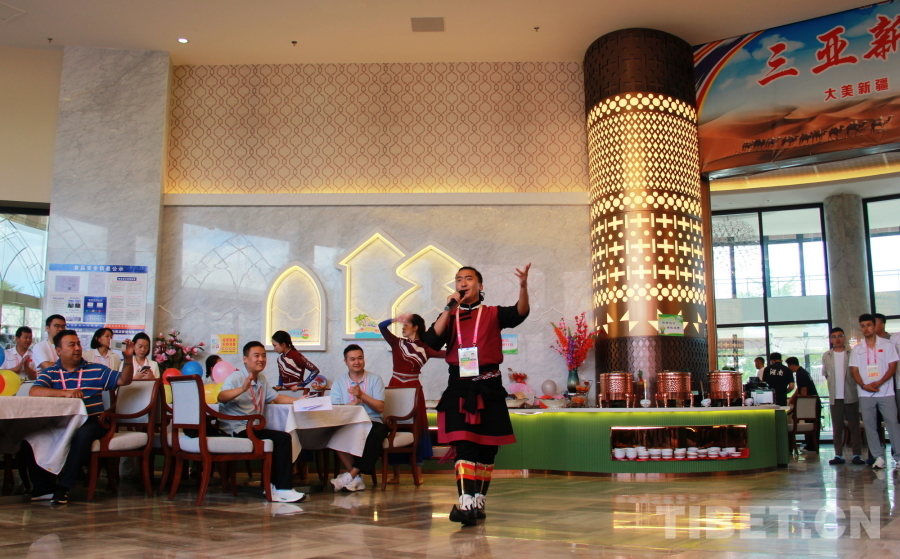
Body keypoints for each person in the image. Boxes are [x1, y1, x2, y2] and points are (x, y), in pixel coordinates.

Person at [422, 264, 530, 526]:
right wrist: (448, 308)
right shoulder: (450, 315)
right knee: (465, 443)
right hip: (459, 386)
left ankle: (478, 501)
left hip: (490, 385)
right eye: (458, 279)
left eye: (468, 279)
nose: (463, 283)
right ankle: (465, 502)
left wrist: (523, 286)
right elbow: (431, 341)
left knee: (488, 448)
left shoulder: (492, 313)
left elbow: (520, 312)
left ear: (480, 286)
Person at [25, 329, 135, 503]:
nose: (77, 348)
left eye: (78, 344)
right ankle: (43, 488)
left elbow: (124, 380)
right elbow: (34, 391)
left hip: (93, 421)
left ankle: (64, 487)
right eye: (71, 345)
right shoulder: (51, 372)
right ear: (58, 350)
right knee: (30, 438)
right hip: (61, 423)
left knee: (82, 434)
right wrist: (65, 393)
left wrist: (128, 359)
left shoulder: (96, 369)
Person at [216, 341, 306, 503]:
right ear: (245, 359)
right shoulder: (236, 377)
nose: (261, 359)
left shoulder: (261, 379)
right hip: (237, 429)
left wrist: (299, 400)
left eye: (264, 356)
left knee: (283, 437)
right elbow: (221, 397)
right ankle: (282, 489)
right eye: (256, 356)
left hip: (252, 428)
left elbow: (277, 397)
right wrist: (242, 389)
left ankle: (274, 486)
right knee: (282, 439)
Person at [379, 313, 445, 484]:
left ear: (415, 327)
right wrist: (395, 319)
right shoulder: (397, 343)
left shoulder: (425, 348)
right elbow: (381, 326)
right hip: (395, 387)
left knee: (417, 428)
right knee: (394, 426)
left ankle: (418, 473)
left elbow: (448, 355)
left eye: (406, 324)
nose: (403, 327)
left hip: (414, 390)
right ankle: (396, 474)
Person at [330, 344, 387, 492]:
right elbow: (335, 409)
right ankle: (356, 479)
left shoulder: (375, 379)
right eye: (352, 359)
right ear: (346, 361)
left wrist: (362, 396)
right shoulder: (339, 382)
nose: (357, 362)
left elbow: (380, 408)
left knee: (376, 434)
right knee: (334, 434)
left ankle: (351, 475)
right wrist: (353, 404)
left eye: (360, 358)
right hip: (348, 421)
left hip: (372, 420)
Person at [850, 313, 900, 470]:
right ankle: (878, 457)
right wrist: (863, 385)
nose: (866, 329)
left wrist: (879, 382)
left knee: (893, 424)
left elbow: (892, 367)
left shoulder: (887, 345)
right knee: (870, 425)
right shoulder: (857, 349)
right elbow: (854, 371)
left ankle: (898, 457)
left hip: (886, 392)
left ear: (875, 326)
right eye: (863, 326)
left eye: (869, 325)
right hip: (865, 393)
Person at [822, 327, 863, 465]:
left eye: (840, 336)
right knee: (837, 427)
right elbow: (826, 374)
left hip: (851, 394)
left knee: (854, 426)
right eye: (834, 337)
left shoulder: (852, 353)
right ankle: (838, 454)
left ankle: (857, 454)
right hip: (835, 397)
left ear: (844, 338)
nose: (837, 339)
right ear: (830, 339)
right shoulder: (827, 355)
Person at [785, 356, 820, 452]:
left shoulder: (800, 374)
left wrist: (801, 403)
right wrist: (793, 397)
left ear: (792, 365)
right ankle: (810, 444)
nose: (788, 368)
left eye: (788, 366)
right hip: (813, 402)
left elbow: (804, 390)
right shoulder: (802, 372)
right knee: (812, 423)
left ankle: (811, 446)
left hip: (810, 403)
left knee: (812, 424)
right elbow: (799, 388)